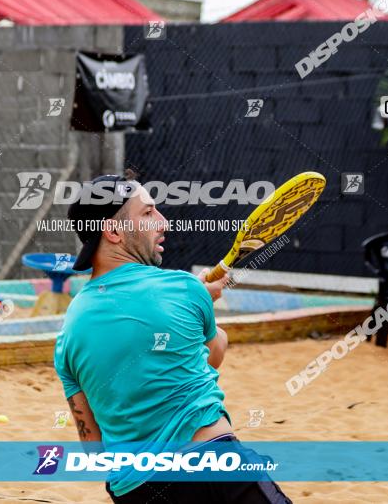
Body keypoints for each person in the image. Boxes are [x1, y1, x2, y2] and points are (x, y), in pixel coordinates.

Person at [54, 172, 292, 503]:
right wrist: (202, 303)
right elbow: (213, 353)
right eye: (148, 213)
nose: (163, 222)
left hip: (136, 490)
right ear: (113, 231)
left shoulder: (68, 334)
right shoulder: (185, 288)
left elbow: (93, 448)